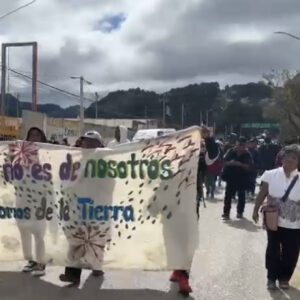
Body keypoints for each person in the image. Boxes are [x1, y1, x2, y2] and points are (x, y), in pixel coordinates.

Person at [252, 145, 300, 290]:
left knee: (291, 251)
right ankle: (271, 277)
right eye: (287, 157)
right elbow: (262, 193)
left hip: (295, 222)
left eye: (294, 158)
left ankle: (284, 278)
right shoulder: (270, 174)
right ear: (281, 158)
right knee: (273, 248)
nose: (290, 160)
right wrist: (255, 209)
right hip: (273, 219)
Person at [59, 130, 104, 284]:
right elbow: (65, 181)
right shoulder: (74, 160)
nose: (88, 145)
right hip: (77, 206)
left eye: (92, 142)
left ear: (99, 145)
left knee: (96, 238)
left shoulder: (105, 161)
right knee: (76, 239)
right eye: (86, 141)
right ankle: (72, 274)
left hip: (97, 207)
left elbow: (109, 184)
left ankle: (97, 265)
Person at [19, 127, 48, 276]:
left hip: (40, 197)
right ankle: (30, 260)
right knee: (24, 230)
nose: (34, 137)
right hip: (22, 197)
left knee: (38, 231)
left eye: (37, 134)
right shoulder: (20, 153)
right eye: (31, 135)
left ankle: (41, 262)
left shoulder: (48, 154)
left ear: (43, 138)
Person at [221, 137, 253, 220]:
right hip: (231, 177)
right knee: (228, 195)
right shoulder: (231, 151)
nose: (240, 147)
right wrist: (230, 163)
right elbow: (224, 161)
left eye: (242, 145)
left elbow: (249, 166)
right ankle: (226, 213)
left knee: (241, 195)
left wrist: (241, 164)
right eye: (239, 145)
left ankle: (240, 212)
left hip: (242, 178)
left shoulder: (247, 154)